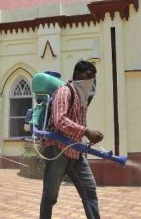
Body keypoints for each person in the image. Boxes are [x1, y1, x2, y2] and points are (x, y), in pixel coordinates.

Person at [40, 60, 103, 219]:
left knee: (90, 191)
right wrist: (86, 131)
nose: (91, 81)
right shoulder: (64, 92)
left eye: (93, 77)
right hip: (57, 150)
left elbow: (77, 123)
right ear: (77, 76)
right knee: (50, 196)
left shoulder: (83, 99)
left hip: (76, 151)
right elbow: (59, 120)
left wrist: (87, 135)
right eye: (88, 76)